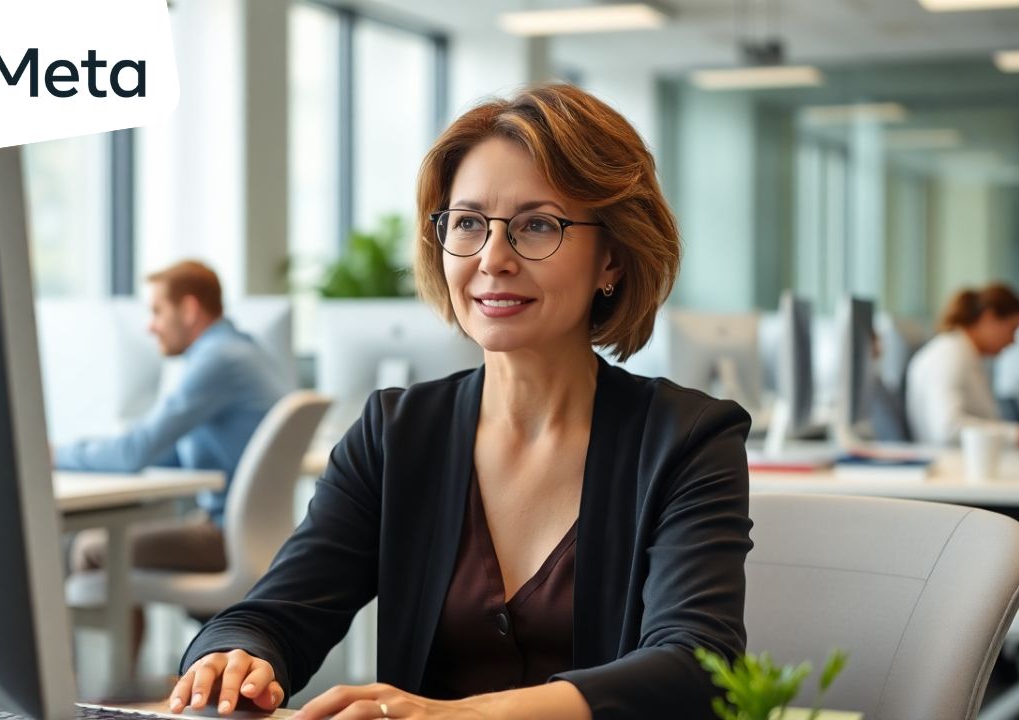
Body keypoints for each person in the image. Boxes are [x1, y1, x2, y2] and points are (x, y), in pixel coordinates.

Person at [169, 85, 752, 720]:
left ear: (611, 256)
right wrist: (232, 655)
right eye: (468, 223)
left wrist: (455, 716)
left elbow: (697, 666)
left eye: (538, 226)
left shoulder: (689, 439)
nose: (493, 259)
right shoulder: (394, 434)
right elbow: (275, 614)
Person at [55, 260, 288, 573]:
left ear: (189, 309)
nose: (150, 327)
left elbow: (134, 452)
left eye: (157, 311)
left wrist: (54, 455)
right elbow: (165, 453)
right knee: (119, 534)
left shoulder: (217, 359)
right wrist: (117, 451)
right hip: (258, 534)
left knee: (89, 546)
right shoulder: (242, 351)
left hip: (226, 537)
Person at [906, 283, 1019, 447]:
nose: (1013, 340)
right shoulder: (950, 355)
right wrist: (1017, 434)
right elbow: (948, 428)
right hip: (953, 463)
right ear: (989, 318)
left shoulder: (964, 353)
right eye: (1013, 328)